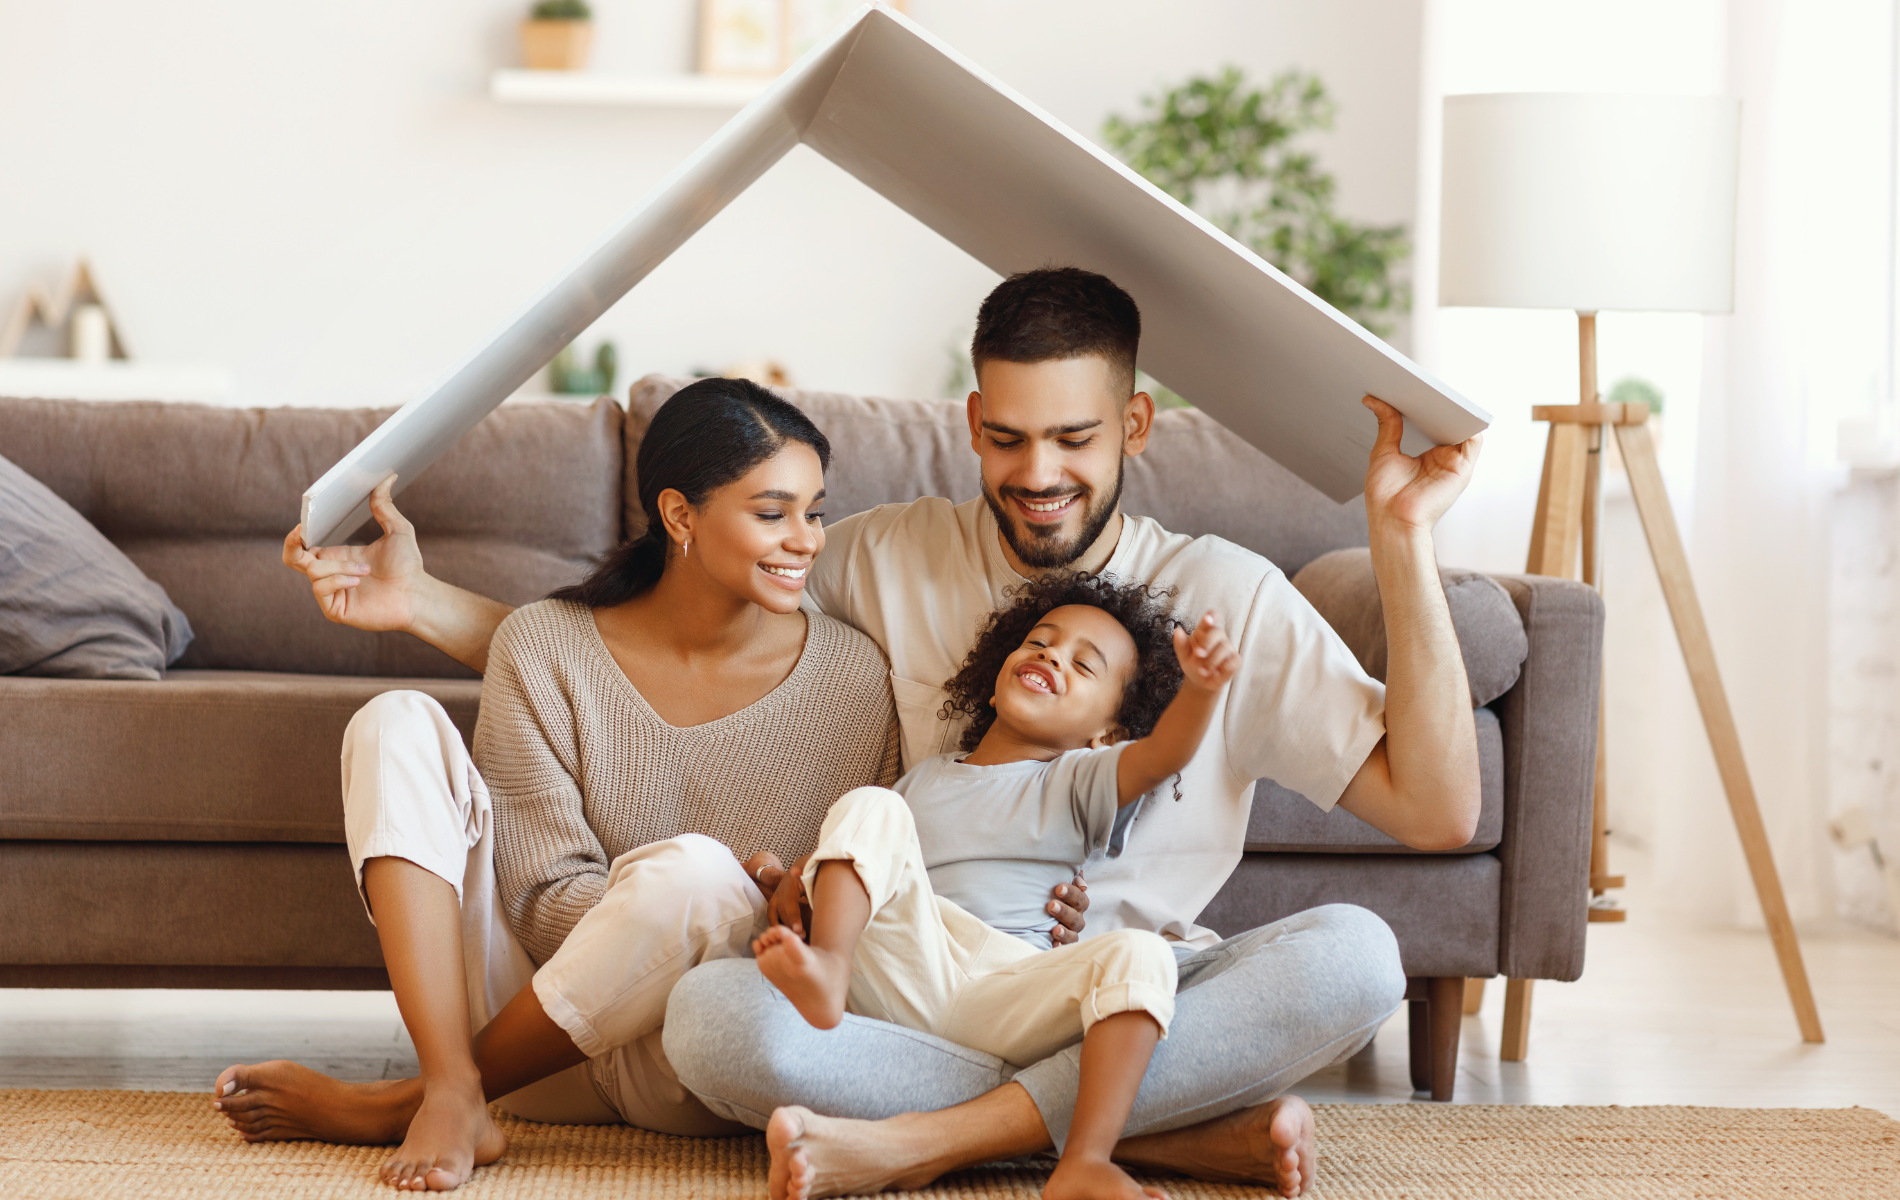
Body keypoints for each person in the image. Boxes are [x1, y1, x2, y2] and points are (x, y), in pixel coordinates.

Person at [270, 266, 1482, 1198]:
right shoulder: (879, 555)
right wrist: (423, 606)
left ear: (1138, 427)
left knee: (1356, 958)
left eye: (1074, 438)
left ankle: (934, 1143)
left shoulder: (1226, 596)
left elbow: (1435, 812)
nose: (1038, 471)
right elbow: (654, 639)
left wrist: (1400, 540)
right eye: (1007, 437)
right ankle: (1149, 1133)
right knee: (714, 1019)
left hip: (1131, 992)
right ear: (970, 420)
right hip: (910, 998)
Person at [213, 378, 901, 1192]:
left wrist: (766, 900)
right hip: (536, 1037)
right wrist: (645, 912)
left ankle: (417, 1099)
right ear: (680, 516)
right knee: (393, 720)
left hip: (696, 1051)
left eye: (815, 511)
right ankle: (451, 1079)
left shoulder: (854, 676)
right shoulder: (544, 644)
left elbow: (854, 896)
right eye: (772, 512)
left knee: (696, 874)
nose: (807, 541)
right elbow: (539, 900)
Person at [753, 575, 1242, 1200]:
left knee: (1141, 954)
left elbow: (1164, 756)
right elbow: (864, 860)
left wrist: (1200, 692)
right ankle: (828, 970)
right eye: (1040, 641)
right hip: (910, 967)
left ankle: (1085, 1162)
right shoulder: (920, 780)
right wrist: (786, 874)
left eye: (1083, 665)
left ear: (1109, 736)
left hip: (1008, 987)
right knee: (870, 805)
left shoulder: (1075, 781)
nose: (1051, 655)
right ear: (996, 672)